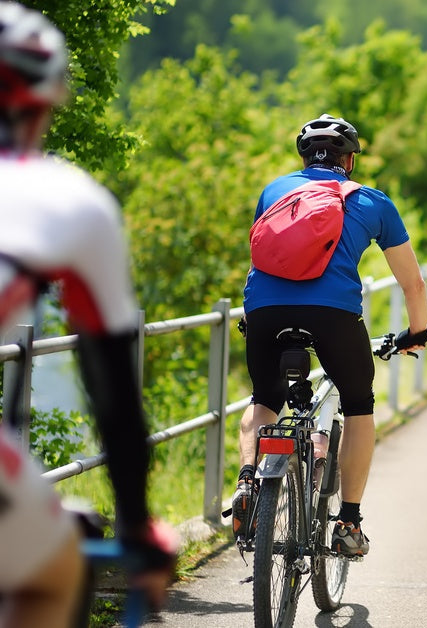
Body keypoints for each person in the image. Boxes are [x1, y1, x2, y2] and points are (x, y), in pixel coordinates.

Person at [0, 2, 176, 624]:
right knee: (56, 572)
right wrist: (138, 529)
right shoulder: (68, 198)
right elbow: (114, 394)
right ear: (44, 102)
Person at [233, 113, 427, 558]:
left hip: (265, 311)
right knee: (359, 405)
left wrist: (255, 314)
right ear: (351, 160)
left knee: (263, 401)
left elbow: (264, 255)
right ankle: (349, 523)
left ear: (304, 157)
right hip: (334, 316)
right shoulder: (372, 202)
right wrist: (416, 332)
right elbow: (413, 284)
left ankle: (247, 481)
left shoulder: (275, 191)